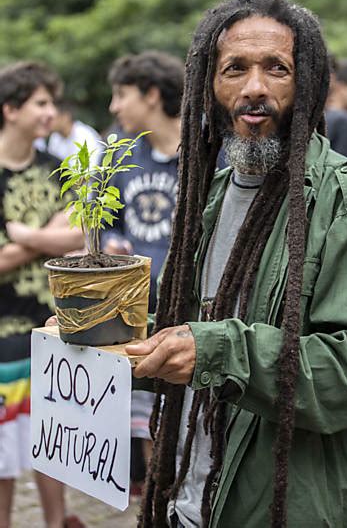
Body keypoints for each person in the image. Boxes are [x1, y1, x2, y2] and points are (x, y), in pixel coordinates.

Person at [125, 0, 347, 528]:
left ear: (309, 83)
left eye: (277, 68)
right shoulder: (210, 193)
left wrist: (218, 352)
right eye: (235, 69)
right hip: (189, 503)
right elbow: (195, 334)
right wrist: (120, 340)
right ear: (208, 88)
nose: (255, 88)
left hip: (280, 509)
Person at [0, 61, 84, 528]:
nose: (51, 111)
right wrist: (47, 236)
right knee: (2, 457)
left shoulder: (58, 170)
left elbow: (78, 235)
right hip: (2, 336)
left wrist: (19, 235)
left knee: (55, 441)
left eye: (53, 102)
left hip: (54, 329)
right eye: (40, 102)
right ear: (10, 109)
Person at [103, 51, 185, 492]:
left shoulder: (207, 152)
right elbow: (105, 224)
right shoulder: (121, 156)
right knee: (148, 424)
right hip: (136, 319)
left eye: (122, 95)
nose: (114, 107)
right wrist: (111, 245)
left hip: (190, 315)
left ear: (152, 95)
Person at [35, 100, 103, 168]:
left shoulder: (84, 136)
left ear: (65, 117)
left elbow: (88, 173)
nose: (47, 121)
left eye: (52, 118)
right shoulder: (55, 137)